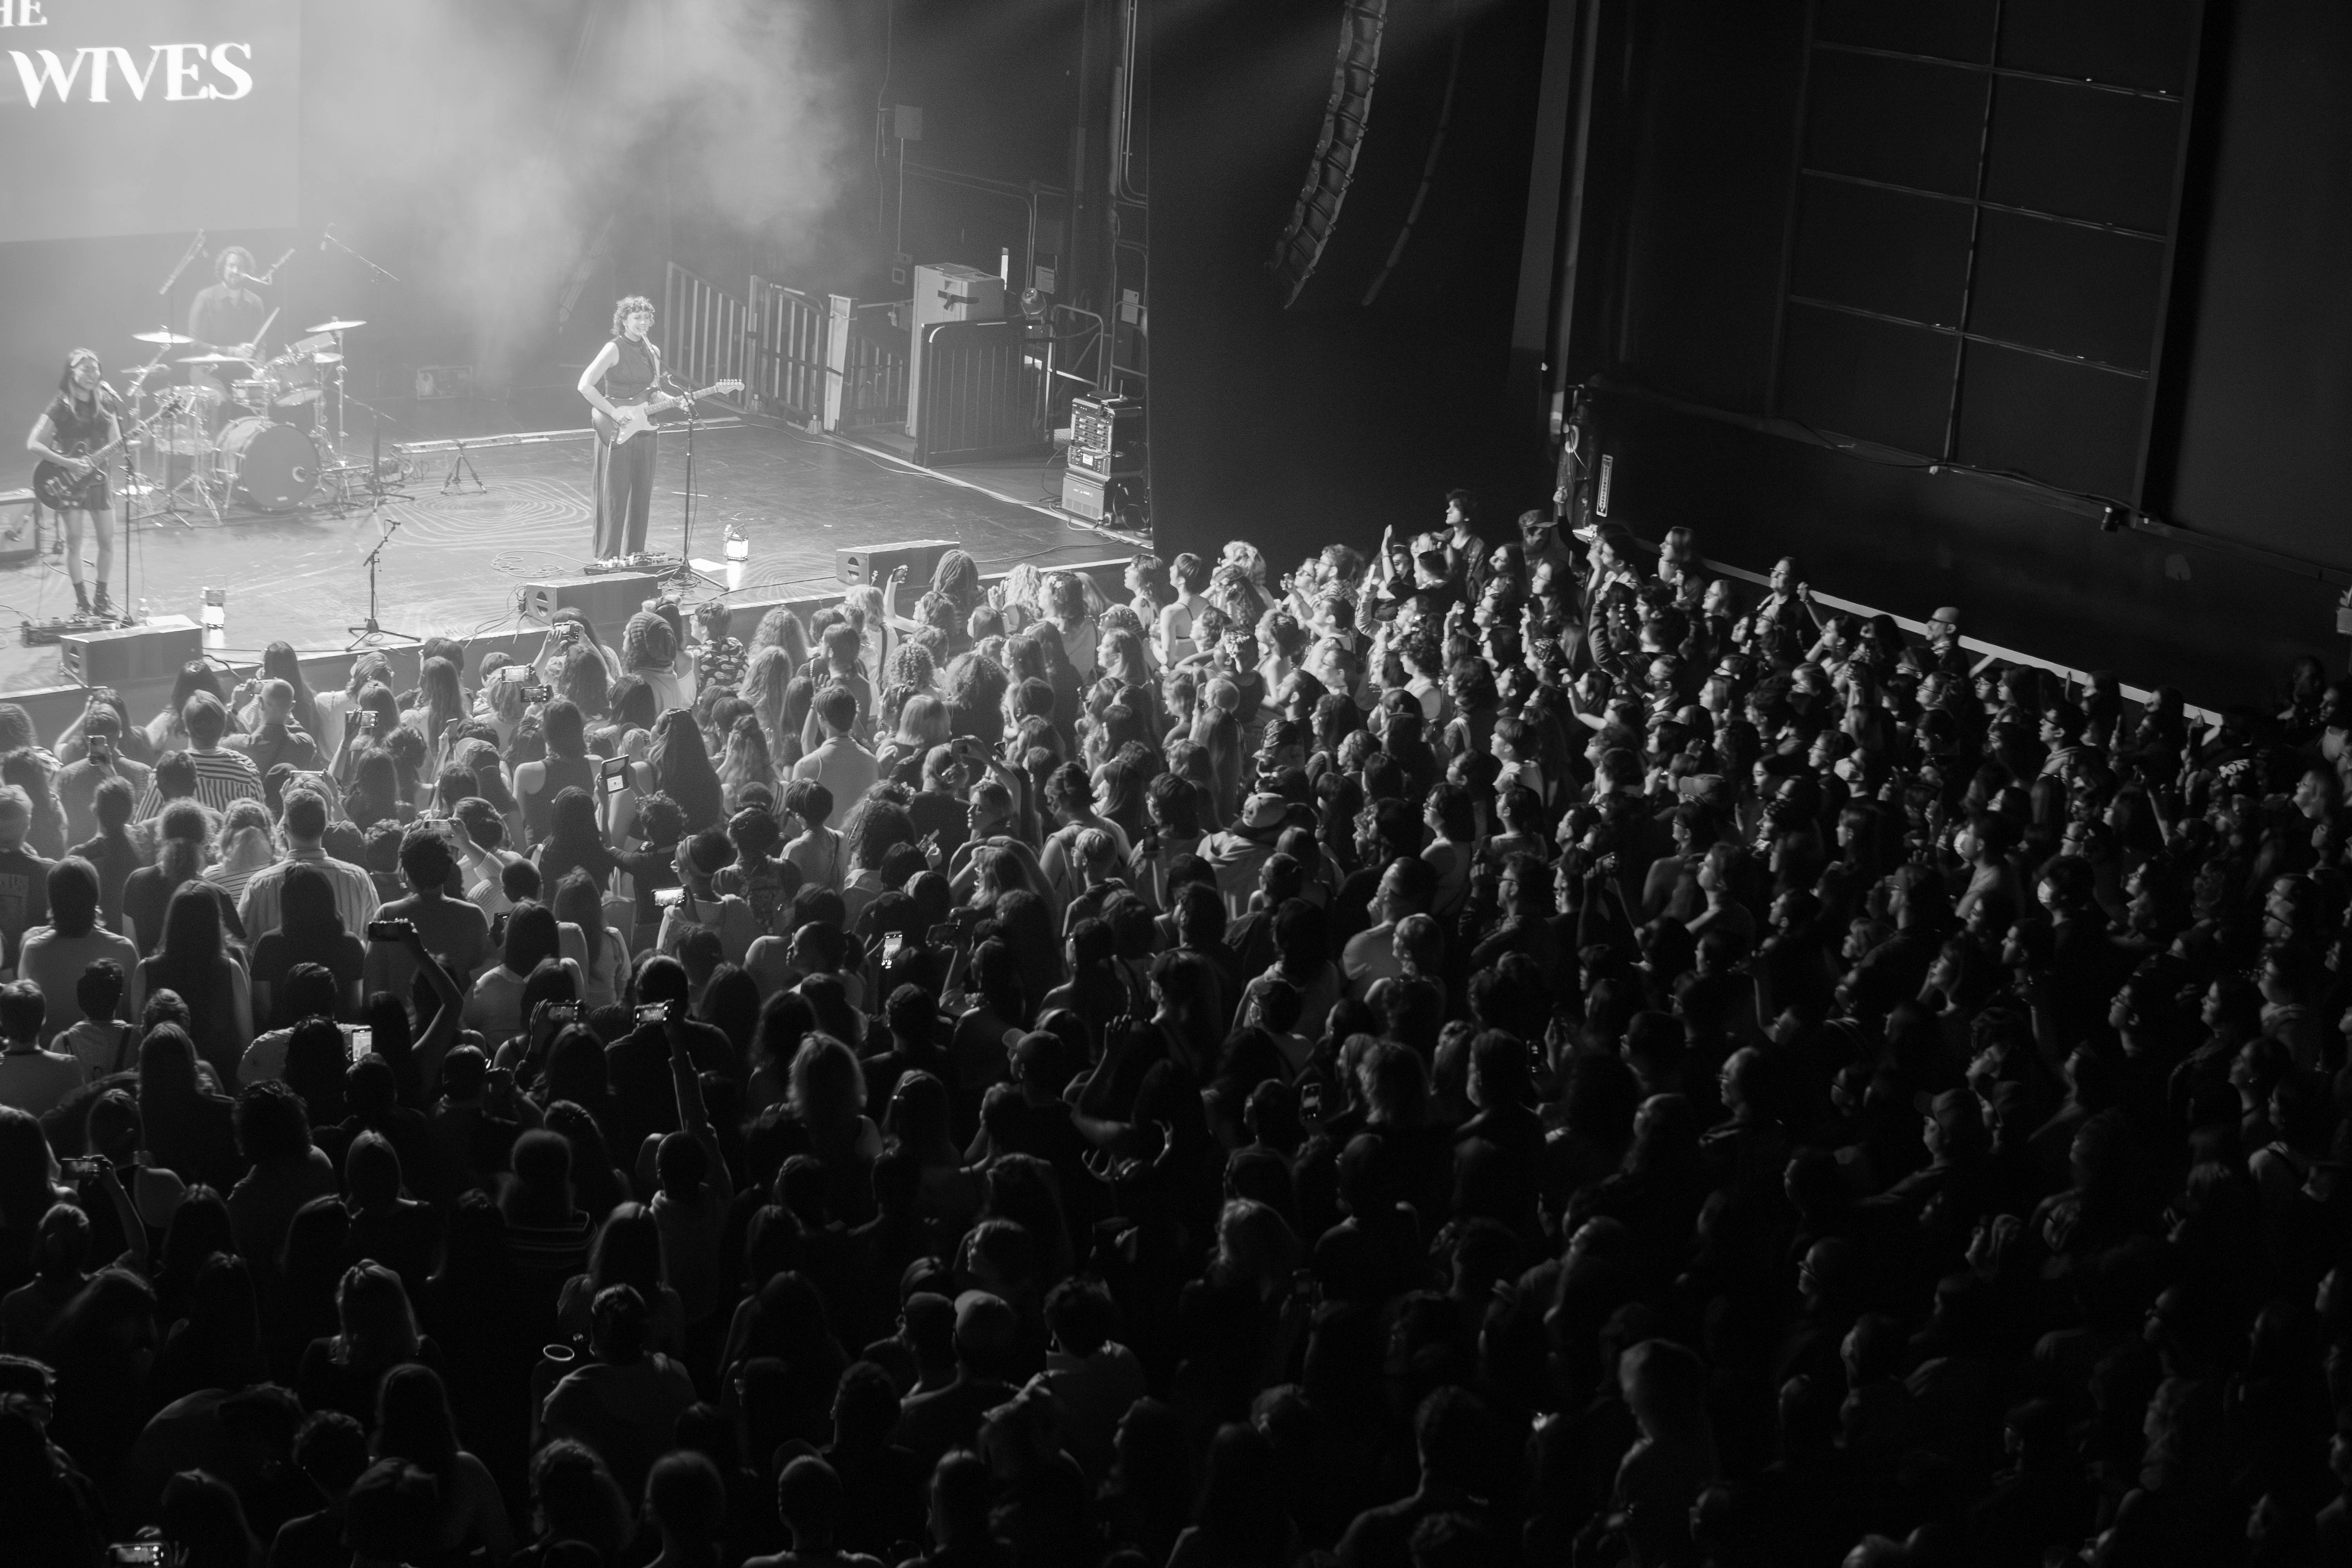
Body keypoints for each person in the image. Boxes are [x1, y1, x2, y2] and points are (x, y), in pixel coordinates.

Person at [25, 347, 120, 617]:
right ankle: (82, 603)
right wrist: (69, 463)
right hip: (67, 480)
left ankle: (101, 599)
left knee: (107, 542)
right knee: (75, 542)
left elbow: (118, 442)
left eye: (96, 368)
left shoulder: (107, 402)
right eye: (85, 369)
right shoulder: (61, 405)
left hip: (100, 479)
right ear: (72, 372)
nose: (92, 374)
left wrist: (140, 440)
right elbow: (33, 443)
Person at [578, 294, 666, 563]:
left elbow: (654, 392)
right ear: (624, 321)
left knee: (642, 493)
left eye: (646, 318)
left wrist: (674, 401)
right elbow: (585, 385)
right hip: (617, 428)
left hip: (645, 430)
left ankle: (636, 555)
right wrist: (613, 411)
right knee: (614, 495)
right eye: (636, 317)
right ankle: (608, 557)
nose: (642, 322)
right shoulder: (614, 348)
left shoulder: (654, 352)